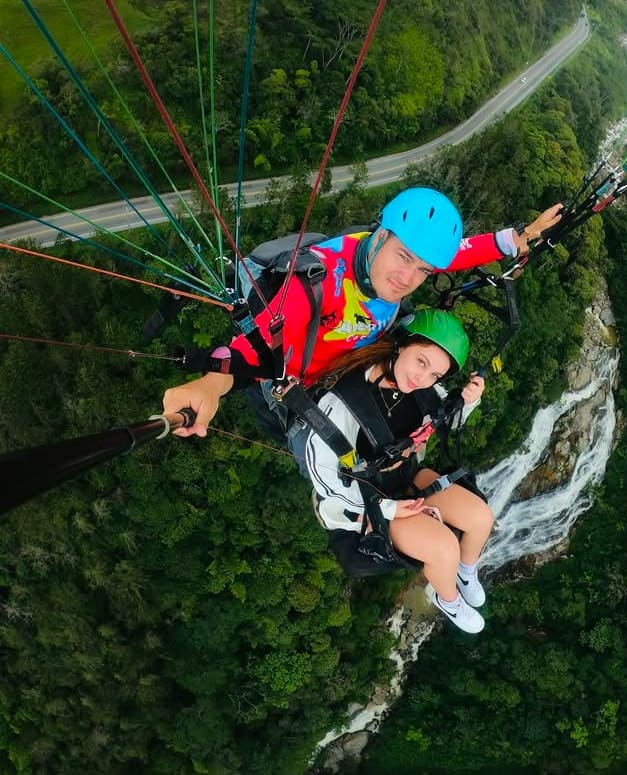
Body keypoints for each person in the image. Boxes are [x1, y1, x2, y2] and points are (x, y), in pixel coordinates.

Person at [162, 187, 563, 440]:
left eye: (423, 269)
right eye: (404, 258)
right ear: (381, 235)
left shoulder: (400, 252)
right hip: (289, 385)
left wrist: (518, 239)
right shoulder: (315, 284)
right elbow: (252, 349)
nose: (409, 278)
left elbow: (455, 254)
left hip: (341, 365)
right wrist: (208, 387)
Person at [306, 309, 494, 634]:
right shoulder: (342, 403)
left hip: (404, 477)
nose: (422, 379)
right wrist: (388, 508)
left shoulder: (424, 393)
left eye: (435, 375)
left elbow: (444, 425)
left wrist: (468, 402)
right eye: (421, 362)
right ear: (400, 345)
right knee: (444, 547)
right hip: (365, 502)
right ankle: (447, 599)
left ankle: (465, 570)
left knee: (481, 519)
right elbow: (322, 475)